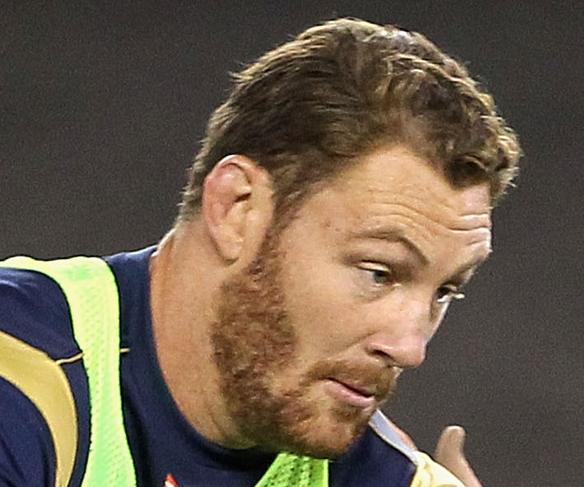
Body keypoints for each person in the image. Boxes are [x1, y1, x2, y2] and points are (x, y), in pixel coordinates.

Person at [0, 17, 520, 487]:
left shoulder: (381, 473)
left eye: (446, 291)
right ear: (237, 207)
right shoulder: (22, 376)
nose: (410, 348)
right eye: (379, 273)